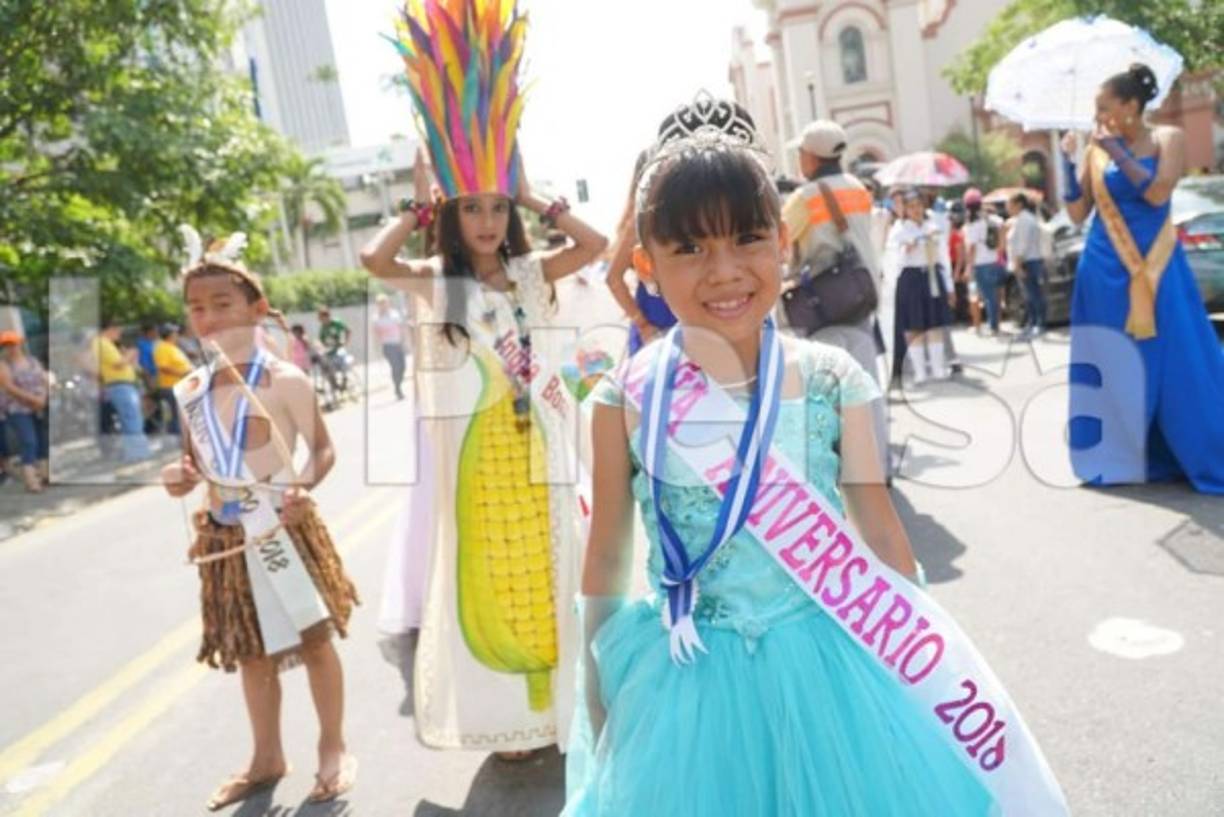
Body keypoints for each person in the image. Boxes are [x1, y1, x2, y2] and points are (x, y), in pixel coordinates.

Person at [564, 126, 1066, 816]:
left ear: (782, 239)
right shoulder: (626, 397)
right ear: (646, 264)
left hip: (831, 663)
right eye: (690, 248)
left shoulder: (835, 378)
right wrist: (598, 681)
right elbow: (610, 552)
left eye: (747, 238)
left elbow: (882, 531)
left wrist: (924, 655)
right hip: (685, 678)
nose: (725, 270)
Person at [360, 151, 607, 759]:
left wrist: (534, 195)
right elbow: (375, 260)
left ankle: (562, 710)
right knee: (496, 586)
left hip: (539, 451)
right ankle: (515, 722)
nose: (488, 220)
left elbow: (595, 244)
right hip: (482, 462)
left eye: (497, 207)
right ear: (451, 215)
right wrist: (418, 207)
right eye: (472, 207)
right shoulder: (438, 282)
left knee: (552, 574)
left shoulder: (531, 272)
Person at [161, 230, 360, 809]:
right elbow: (195, 461)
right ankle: (266, 755)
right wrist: (181, 476)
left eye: (223, 304)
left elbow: (322, 450)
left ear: (256, 308)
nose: (209, 317)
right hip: (226, 534)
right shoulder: (190, 390)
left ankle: (333, 745)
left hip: (281, 527)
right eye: (198, 308)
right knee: (252, 650)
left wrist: (303, 483)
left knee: (315, 638)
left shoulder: (287, 380)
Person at [1062, 63, 1224, 494]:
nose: (1099, 116)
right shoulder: (1094, 151)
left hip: (1158, 266)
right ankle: (1116, 456)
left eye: (1105, 107)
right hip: (1102, 269)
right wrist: (1066, 161)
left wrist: (1116, 151)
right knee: (1112, 361)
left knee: (1179, 358)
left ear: (1132, 105)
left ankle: (1192, 450)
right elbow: (1077, 213)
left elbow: (1157, 192)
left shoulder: (1167, 137)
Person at [780, 118, 888, 477]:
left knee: (826, 391)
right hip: (861, 295)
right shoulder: (859, 188)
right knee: (866, 387)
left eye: (801, 153)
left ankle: (842, 472)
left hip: (824, 303)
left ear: (811, 157)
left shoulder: (804, 197)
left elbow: (781, 244)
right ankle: (879, 467)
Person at [606, 150, 677, 354]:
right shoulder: (639, 224)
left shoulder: (684, 218)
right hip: (657, 323)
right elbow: (613, 279)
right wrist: (643, 324)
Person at [887, 189, 954, 385]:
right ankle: (919, 372)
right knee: (913, 326)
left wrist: (949, 286)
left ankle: (938, 368)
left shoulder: (932, 226)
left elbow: (944, 257)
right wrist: (907, 247)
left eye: (919, 206)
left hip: (932, 275)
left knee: (935, 324)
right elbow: (892, 260)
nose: (916, 210)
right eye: (911, 207)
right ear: (905, 210)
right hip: (910, 278)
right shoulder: (899, 230)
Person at [87, 318, 152, 463]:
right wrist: (131, 353)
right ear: (110, 329)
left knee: (133, 419)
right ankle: (137, 454)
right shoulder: (100, 343)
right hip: (119, 385)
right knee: (131, 420)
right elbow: (118, 364)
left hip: (124, 385)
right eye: (118, 331)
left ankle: (138, 452)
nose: (119, 334)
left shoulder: (106, 344)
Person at [0, 330, 50, 492]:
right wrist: (32, 399)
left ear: (20, 343)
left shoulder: (32, 361)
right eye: (6, 345)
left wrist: (42, 397)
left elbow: (43, 379)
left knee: (42, 440)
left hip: (38, 405)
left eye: (13, 344)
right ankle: (31, 480)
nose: (11, 348)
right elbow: (9, 387)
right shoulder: (3, 365)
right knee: (29, 441)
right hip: (17, 408)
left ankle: (44, 474)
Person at [963, 188, 1006, 336]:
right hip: (996, 261)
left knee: (988, 296)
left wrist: (968, 267)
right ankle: (996, 324)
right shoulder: (993, 220)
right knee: (996, 295)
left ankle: (993, 325)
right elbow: (1002, 233)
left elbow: (971, 248)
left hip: (981, 264)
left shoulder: (972, 225)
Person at [1006, 192, 1046, 337]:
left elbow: (1022, 244)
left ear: (1019, 204)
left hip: (1027, 261)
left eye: (1010, 204)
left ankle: (1038, 323)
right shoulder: (1019, 220)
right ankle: (1032, 322)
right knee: (1028, 294)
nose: (1008, 208)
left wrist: (1017, 264)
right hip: (1025, 261)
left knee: (1033, 294)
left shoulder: (1024, 220)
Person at [152, 323, 192, 435]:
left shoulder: (172, 347)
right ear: (170, 335)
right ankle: (176, 438)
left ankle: (180, 437)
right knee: (176, 415)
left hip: (180, 385)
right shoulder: (162, 347)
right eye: (175, 333)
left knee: (180, 414)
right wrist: (183, 373)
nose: (177, 335)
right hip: (171, 386)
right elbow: (163, 367)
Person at [371, 294, 409, 400]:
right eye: (381, 304)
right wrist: (378, 348)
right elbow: (375, 334)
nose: (383, 306)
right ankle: (398, 388)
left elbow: (401, 328)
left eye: (385, 303)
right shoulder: (376, 318)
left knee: (403, 367)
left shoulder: (394, 314)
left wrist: (404, 341)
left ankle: (398, 384)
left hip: (398, 344)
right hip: (387, 346)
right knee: (395, 366)